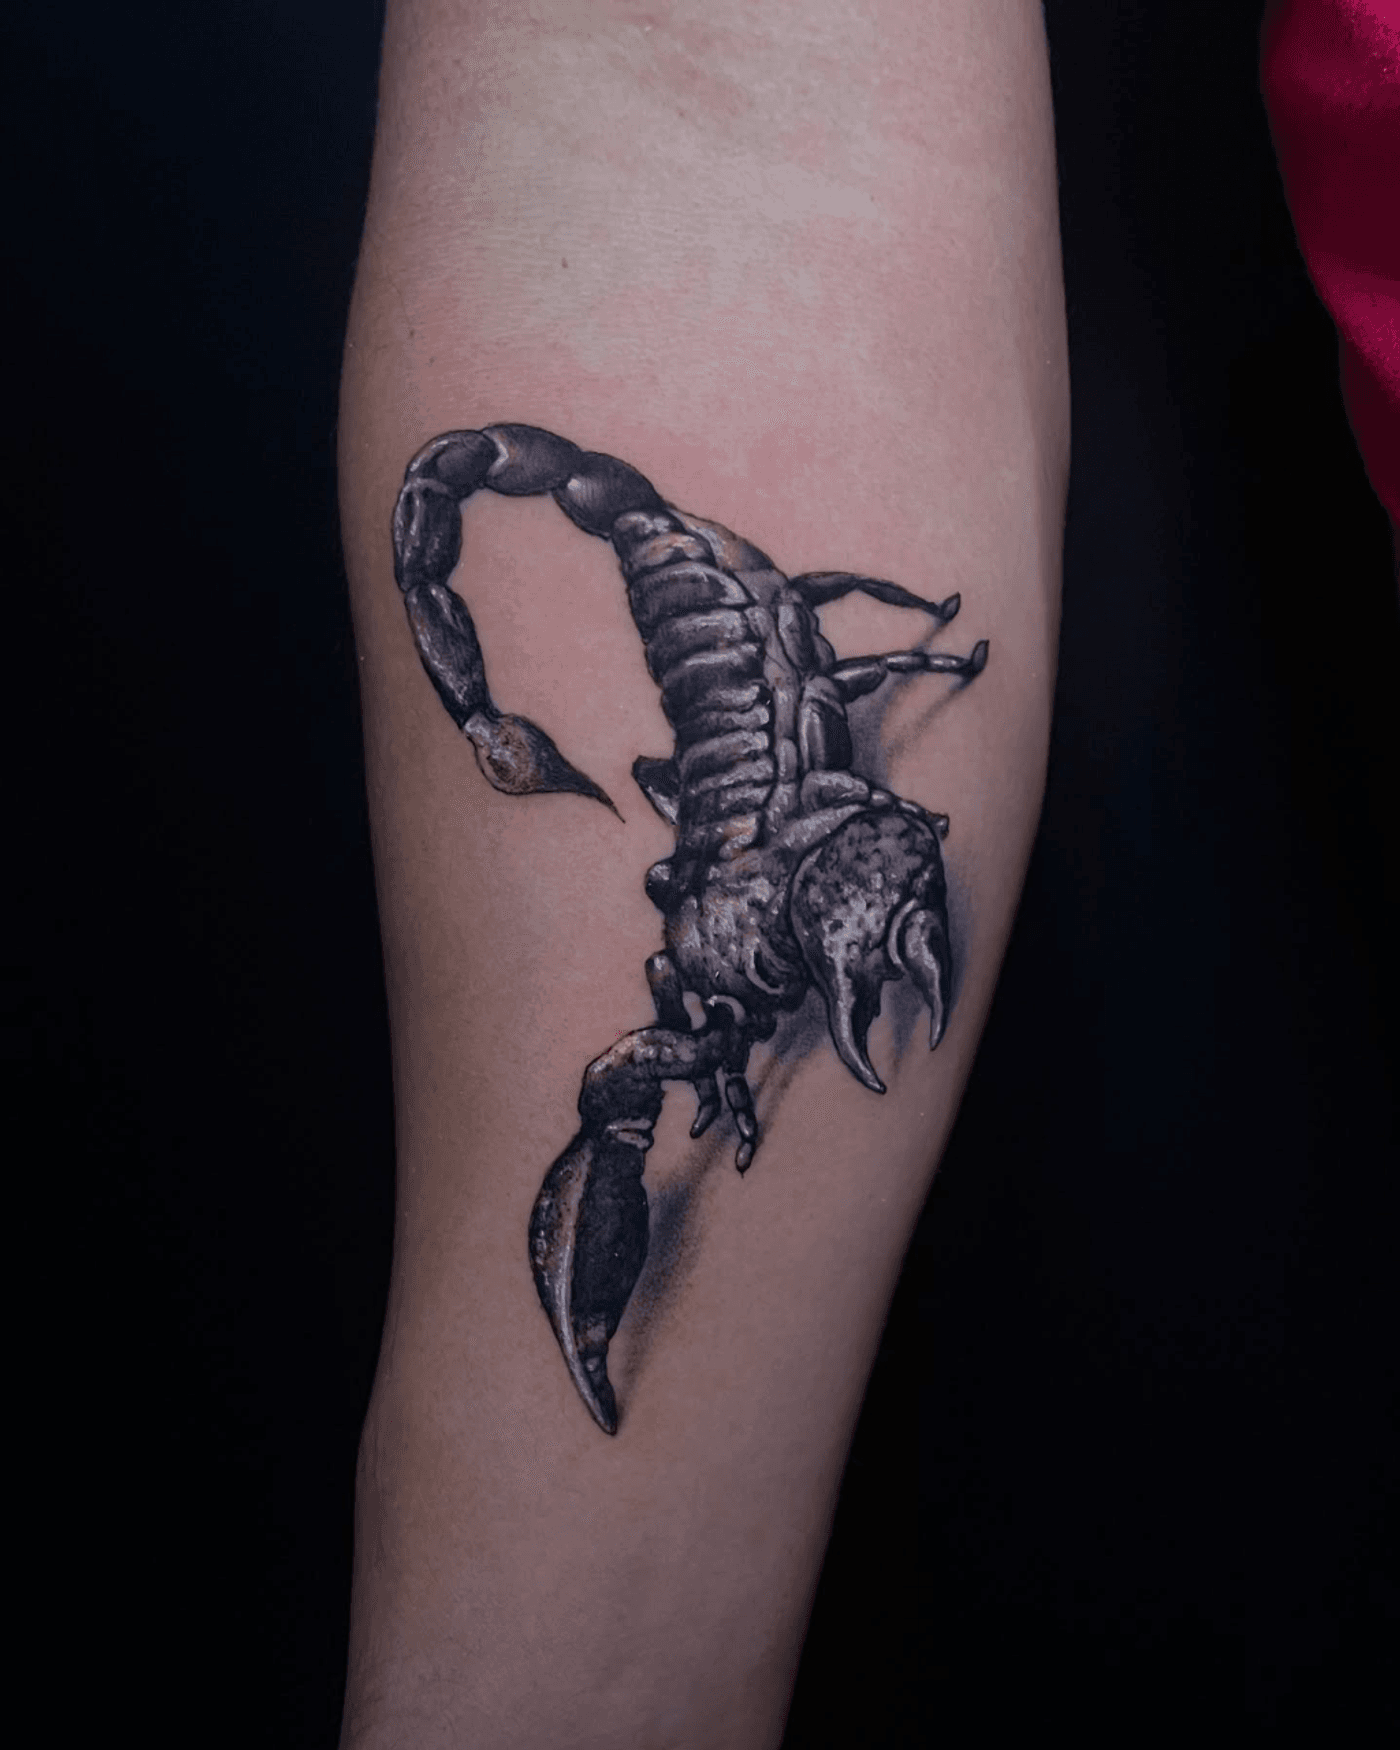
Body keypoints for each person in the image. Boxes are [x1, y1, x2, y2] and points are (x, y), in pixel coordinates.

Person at [336, 3, 1066, 1744]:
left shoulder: (804, 801)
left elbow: (836, 733)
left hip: (758, 650)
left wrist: (917, 658)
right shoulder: (725, 923)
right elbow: (712, 111)